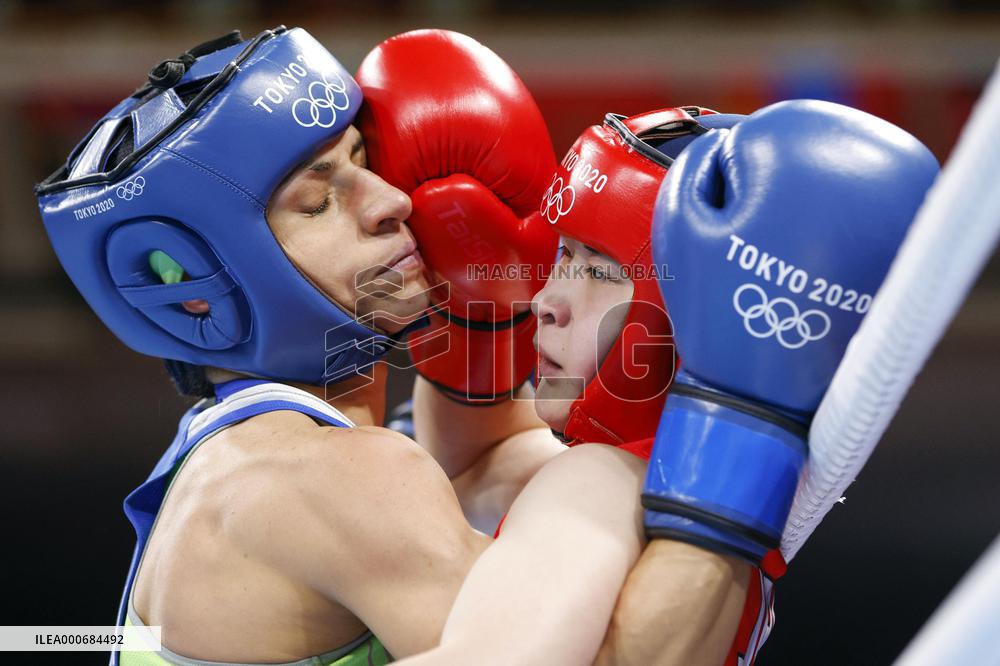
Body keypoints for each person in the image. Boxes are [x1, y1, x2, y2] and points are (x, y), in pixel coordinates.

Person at [35, 26, 560, 665]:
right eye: (317, 202)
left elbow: (487, 455)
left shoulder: (239, 453)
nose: (394, 201)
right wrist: (715, 411)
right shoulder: (323, 475)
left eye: (365, 162)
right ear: (198, 289)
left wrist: (489, 318)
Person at [370, 98, 938, 665]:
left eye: (598, 269)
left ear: (689, 315)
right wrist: (474, 326)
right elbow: (474, 462)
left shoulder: (599, 480)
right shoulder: (719, 517)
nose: (545, 302)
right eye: (563, 256)